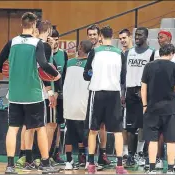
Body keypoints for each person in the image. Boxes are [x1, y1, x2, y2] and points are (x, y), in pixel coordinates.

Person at [0, 12, 61, 174]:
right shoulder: (37, 43)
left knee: (13, 128)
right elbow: (43, 64)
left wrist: (11, 73)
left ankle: (10, 165)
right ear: (34, 24)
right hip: (33, 94)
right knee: (40, 128)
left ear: (22, 24)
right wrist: (56, 75)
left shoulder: (12, 42)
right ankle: (45, 163)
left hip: (15, 93)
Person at [83, 26, 127, 174]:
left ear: (100, 36)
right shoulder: (120, 53)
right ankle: (120, 166)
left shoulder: (94, 52)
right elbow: (123, 77)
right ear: (113, 36)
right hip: (114, 93)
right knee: (117, 131)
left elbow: (86, 74)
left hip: (97, 92)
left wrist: (93, 74)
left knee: (93, 129)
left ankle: (91, 164)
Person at [141, 43, 175, 174]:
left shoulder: (149, 66)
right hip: (170, 109)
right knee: (170, 140)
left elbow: (143, 88)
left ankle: (152, 168)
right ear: (171, 54)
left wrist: (145, 105)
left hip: (152, 108)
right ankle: (170, 168)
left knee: (152, 140)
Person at [154, 30, 175, 169]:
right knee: (158, 130)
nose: (159, 39)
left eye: (162, 37)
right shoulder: (155, 54)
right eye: (158, 37)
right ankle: (158, 158)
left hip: (173, 97)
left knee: (173, 130)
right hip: (157, 97)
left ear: (169, 38)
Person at [124, 27, 155, 167]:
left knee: (147, 126)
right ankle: (131, 156)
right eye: (135, 35)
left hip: (144, 92)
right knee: (131, 128)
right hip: (130, 91)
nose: (137, 37)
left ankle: (147, 156)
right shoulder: (128, 52)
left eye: (140, 35)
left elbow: (153, 76)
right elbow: (123, 74)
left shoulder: (151, 53)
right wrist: (122, 92)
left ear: (146, 36)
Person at [63, 40, 93, 170]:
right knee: (85, 134)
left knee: (69, 134)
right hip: (83, 103)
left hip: (69, 103)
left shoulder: (69, 63)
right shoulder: (91, 65)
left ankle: (69, 161)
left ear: (80, 48)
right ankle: (87, 161)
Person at [85, 24, 110, 168]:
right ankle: (91, 158)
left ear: (100, 35)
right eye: (90, 35)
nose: (93, 37)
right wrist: (92, 75)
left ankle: (103, 154)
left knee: (103, 126)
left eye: (95, 34)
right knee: (93, 126)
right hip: (93, 91)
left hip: (107, 91)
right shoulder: (90, 51)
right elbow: (87, 73)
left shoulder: (104, 51)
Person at [47, 26, 68, 165]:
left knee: (59, 125)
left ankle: (56, 153)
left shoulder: (63, 54)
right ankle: (46, 154)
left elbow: (65, 74)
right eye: (52, 38)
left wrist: (61, 92)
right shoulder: (44, 53)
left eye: (56, 39)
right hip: (49, 95)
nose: (54, 41)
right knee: (49, 125)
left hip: (60, 95)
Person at [118, 28, 133, 159]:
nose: (122, 40)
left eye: (124, 38)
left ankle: (138, 150)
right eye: (120, 38)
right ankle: (125, 150)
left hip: (135, 93)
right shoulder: (119, 54)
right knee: (123, 123)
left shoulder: (135, 53)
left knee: (137, 124)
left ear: (130, 37)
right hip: (122, 92)